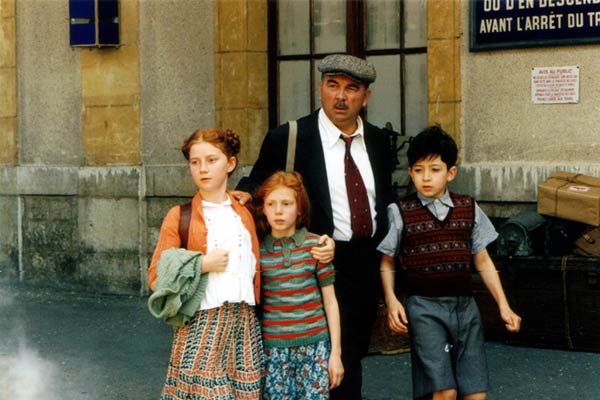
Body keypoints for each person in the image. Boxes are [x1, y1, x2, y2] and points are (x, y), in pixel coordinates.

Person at [233, 53, 394, 400]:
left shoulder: (380, 142)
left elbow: (384, 202)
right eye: (332, 85)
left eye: (351, 89)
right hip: (307, 269)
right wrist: (242, 195)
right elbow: (257, 188)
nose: (340, 96)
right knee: (308, 364)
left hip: (362, 268)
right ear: (320, 88)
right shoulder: (289, 137)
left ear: (365, 97)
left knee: (349, 361)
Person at [147, 128, 334, 400]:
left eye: (212, 160)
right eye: (195, 162)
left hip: (244, 326)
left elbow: (288, 230)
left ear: (230, 164)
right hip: (201, 325)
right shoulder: (180, 216)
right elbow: (155, 277)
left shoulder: (247, 213)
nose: (203, 169)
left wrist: (327, 244)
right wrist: (200, 264)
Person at [378, 125, 522, 400]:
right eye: (418, 170)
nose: (426, 178)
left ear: (451, 172)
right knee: (444, 391)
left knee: (475, 392)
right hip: (424, 308)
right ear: (410, 172)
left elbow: (482, 259)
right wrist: (391, 301)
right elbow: (387, 261)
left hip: (465, 309)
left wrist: (504, 306)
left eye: (434, 169)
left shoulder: (469, 208)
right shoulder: (400, 212)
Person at [252, 170, 344, 399]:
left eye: (286, 203)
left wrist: (336, 353)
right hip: (273, 349)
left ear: (299, 208)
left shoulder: (316, 247)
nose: (278, 211)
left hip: (315, 347)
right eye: (271, 204)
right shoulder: (258, 251)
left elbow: (330, 302)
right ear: (263, 208)